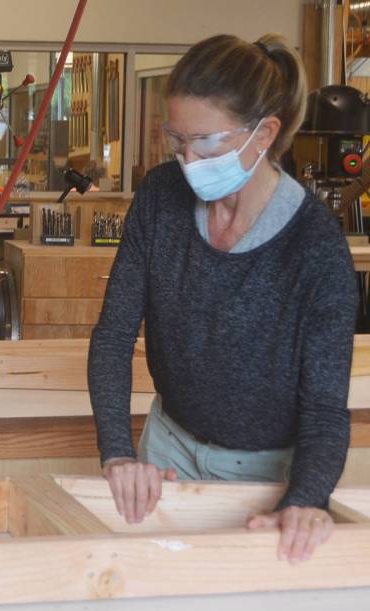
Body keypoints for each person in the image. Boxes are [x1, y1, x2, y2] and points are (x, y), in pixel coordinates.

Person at [88, 34, 358, 564]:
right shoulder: (160, 197)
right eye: (176, 141)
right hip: (165, 449)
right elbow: (114, 336)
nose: (188, 161)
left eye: (206, 143)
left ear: (265, 134)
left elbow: (325, 409)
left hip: (266, 476)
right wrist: (117, 454)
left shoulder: (316, 248)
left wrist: (305, 499)